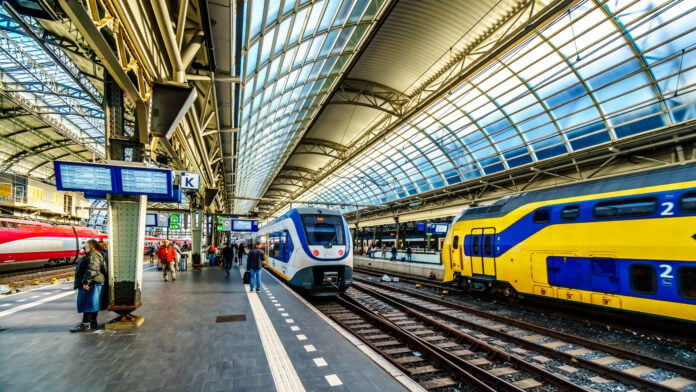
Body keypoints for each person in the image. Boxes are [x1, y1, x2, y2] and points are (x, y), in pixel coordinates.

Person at [70, 239, 106, 332]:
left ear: (91, 246)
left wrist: (86, 282)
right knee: (93, 304)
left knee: (88, 304)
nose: (83, 247)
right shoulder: (92, 255)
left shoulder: (93, 256)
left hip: (92, 283)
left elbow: (92, 269)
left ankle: (85, 324)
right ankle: (92, 323)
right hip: (94, 282)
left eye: (85, 245)